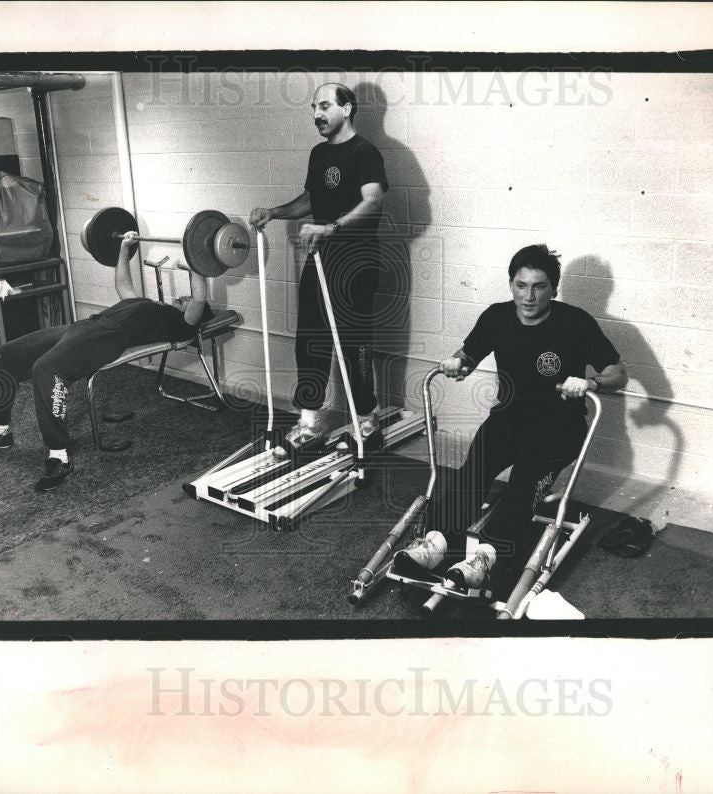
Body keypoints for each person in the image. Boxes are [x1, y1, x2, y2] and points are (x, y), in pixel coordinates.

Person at [395, 243, 628, 590]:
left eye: (539, 286)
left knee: (524, 480)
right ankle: (437, 541)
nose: (529, 296)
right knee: (474, 469)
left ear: (554, 288)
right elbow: (468, 354)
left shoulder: (575, 322)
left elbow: (618, 372)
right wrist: (457, 363)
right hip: (508, 420)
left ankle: (486, 556)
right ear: (511, 284)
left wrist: (591, 382)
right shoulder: (497, 316)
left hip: (559, 427)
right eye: (521, 285)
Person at [0, 232, 214, 492]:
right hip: (85, 326)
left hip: (106, 337)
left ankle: (59, 456)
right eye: (183, 298)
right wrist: (124, 249)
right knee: (1, 357)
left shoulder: (181, 325)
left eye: (185, 301)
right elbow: (123, 284)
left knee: (47, 370)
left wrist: (195, 263)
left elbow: (199, 298)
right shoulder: (146, 304)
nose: (182, 298)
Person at [249, 82, 387, 452]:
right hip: (320, 257)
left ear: (348, 108)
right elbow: (312, 198)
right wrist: (275, 212)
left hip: (356, 261)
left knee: (354, 342)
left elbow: (372, 202)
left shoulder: (366, 153)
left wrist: (332, 227)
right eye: (314, 107)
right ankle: (310, 421)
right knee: (310, 338)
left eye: (325, 106)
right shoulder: (319, 154)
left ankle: (367, 419)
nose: (316, 114)